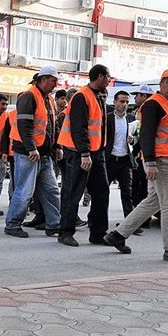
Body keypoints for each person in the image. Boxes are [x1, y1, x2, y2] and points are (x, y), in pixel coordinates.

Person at [104, 68, 168, 266]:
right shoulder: (153, 104)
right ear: (162, 83)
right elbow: (146, 135)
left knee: (153, 202)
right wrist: (149, 162)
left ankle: (118, 235)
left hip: (167, 161)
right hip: (160, 162)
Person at [5, 66, 62, 238]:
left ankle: (54, 224)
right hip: (28, 154)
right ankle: (13, 224)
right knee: (24, 191)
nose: (55, 84)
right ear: (43, 79)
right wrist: (31, 148)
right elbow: (24, 126)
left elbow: (53, 125)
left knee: (51, 190)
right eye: (53, 81)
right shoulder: (28, 96)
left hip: (43, 155)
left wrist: (56, 146)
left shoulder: (49, 99)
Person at [57, 64, 111, 247]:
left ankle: (98, 233)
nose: (109, 80)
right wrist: (85, 153)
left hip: (96, 153)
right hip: (80, 153)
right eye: (108, 77)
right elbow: (78, 127)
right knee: (74, 193)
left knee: (102, 192)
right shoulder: (82, 96)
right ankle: (65, 232)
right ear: (100, 76)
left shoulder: (98, 96)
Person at [105, 90, 136, 221]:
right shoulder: (107, 118)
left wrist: (132, 139)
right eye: (122, 101)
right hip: (110, 159)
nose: (125, 104)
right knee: (103, 192)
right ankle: (96, 221)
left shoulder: (131, 118)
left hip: (125, 160)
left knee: (127, 193)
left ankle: (129, 224)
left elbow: (137, 137)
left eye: (127, 102)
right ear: (115, 102)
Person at [129, 84, 153, 231]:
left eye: (137, 95)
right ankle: (141, 219)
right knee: (140, 189)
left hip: (143, 156)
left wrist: (135, 151)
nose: (135, 98)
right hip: (142, 154)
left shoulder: (147, 110)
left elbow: (145, 134)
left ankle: (141, 220)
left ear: (144, 96)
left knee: (141, 189)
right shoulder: (141, 111)